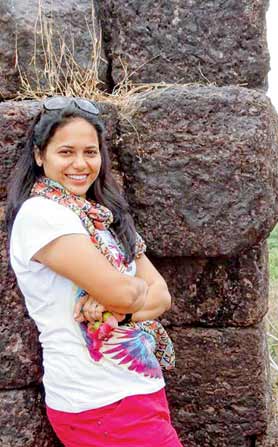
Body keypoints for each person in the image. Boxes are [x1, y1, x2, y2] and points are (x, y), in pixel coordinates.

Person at [5, 96, 183, 446]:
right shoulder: (42, 215)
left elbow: (160, 295)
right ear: (41, 156)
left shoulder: (103, 218)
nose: (80, 164)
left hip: (138, 391)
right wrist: (120, 299)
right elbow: (127, 292)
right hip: (97, 400)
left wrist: (111, 306)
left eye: (90, 152)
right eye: (66, 152)